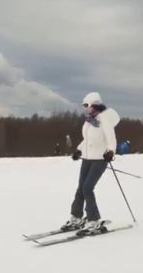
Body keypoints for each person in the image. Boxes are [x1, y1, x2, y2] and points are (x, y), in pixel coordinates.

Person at [61, 92, 120, 232]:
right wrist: (78, 150)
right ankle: (76, 217)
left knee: (87, 188)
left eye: (87, 105)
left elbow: (111, 138)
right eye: (85, 106)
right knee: (81, 188)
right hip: (87, 158)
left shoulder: (104, 120)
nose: (86, 108)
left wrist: (111, 151)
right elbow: (87, 139)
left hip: (99, 159)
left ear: (95, 104)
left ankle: (93, 220)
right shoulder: (89, 120)